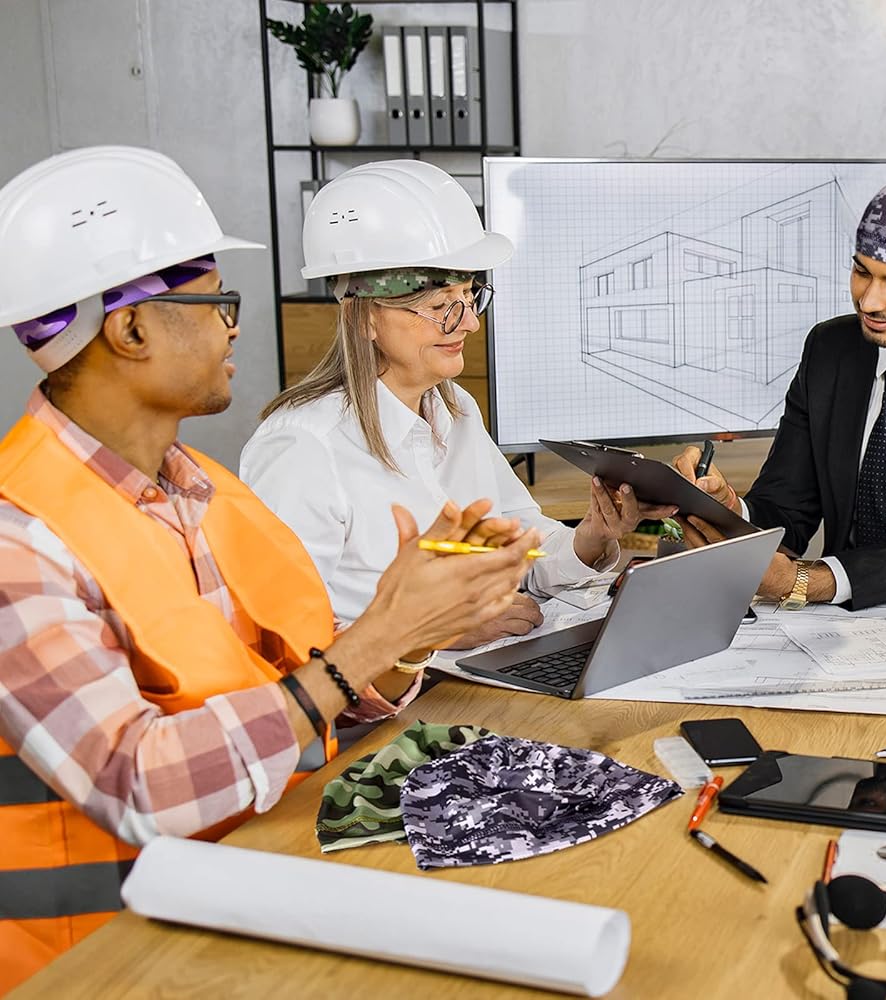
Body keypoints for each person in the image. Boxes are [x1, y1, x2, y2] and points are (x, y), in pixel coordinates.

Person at [0, 146, 539, 991]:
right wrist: (376, 640)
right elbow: (144, 787)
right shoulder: (19, 543)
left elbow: (311, 695)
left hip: (260, 885)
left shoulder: (207, 494)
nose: (235, 326)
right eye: (217, 301)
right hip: (112, 959)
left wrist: (407, 634)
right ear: (130, 329)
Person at [240, 160, 675, 647]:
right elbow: (276, 633)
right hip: (384, 692)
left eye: (470, 297)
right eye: (440, 306)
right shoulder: (303, 446)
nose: (469, 323)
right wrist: (436, 630)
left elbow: (519, 546)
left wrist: (592, 536)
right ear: (365, 318)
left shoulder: (455, 409)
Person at [674, 176, 886, 610]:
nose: (869, 302)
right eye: (861, 271)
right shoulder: (830, 348)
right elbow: (786, 509)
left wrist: (804, 580)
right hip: (844, 618)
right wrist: (730, 509)